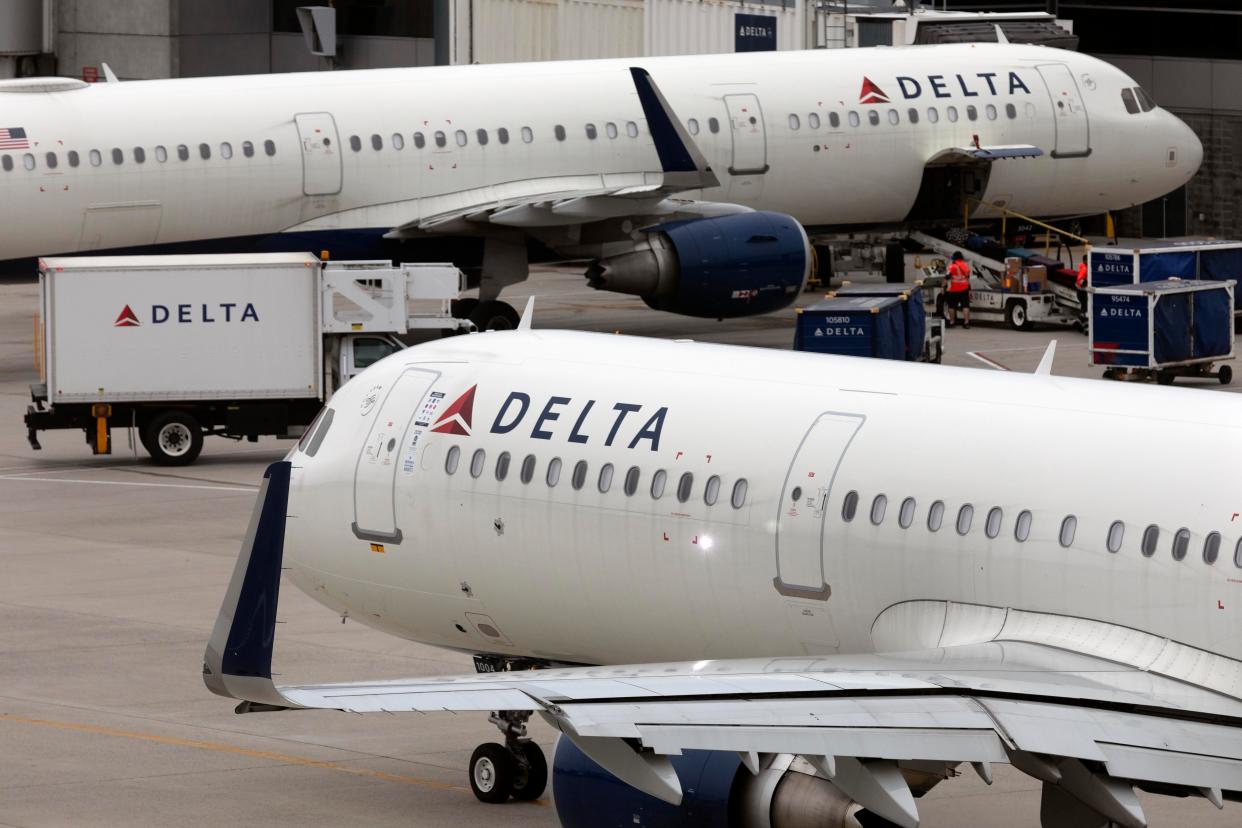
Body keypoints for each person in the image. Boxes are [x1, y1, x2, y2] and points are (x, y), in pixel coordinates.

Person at [944, 251, 971, 329]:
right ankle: (966, 323)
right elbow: (968, 277)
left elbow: (947, 276)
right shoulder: (966, 265)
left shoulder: (952, 266)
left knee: (951, 306)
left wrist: (944, 286)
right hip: (964, 288)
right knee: (965, 306)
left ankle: (952, 322)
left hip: (954, 289)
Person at [1076, 256, 1089, 325]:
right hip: (1081, 290)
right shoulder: (1084, 269)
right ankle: (1082, 320)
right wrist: (1086, 282)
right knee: (1084, 305)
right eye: (1087, 260)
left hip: (1081, 290)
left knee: (1084, 305)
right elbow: (1080, 280)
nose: (1088, 261)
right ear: (1084, 260)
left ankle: (1081, 319)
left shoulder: (1085, 267)